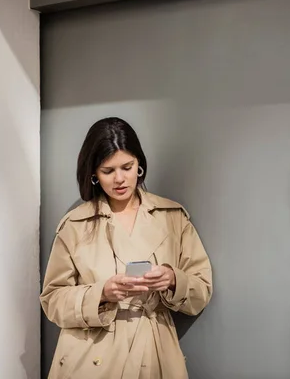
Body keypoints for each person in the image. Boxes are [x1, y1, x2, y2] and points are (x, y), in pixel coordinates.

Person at [40, 117, 213, 379]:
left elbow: (202, 289)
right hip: (92, 356)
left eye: (127, 167)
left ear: (139, 165)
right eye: (108, 171)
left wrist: (173, 279)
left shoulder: (172, 217)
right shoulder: (75, 224)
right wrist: (101, 294)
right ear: (94, 174)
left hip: (155, 352)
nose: (120, 179)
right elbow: (52, 299)